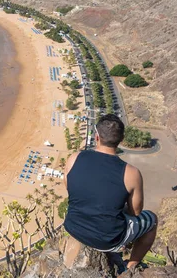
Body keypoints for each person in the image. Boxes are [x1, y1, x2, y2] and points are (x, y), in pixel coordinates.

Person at [63, 114, 157, 270]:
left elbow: (69, 187)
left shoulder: (75, 158)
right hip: (108, 240)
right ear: (121, 140)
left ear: (97, 136)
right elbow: (136, 212)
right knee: (152, 220)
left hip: (73, 227)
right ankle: (132, 265)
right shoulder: (131, 173)